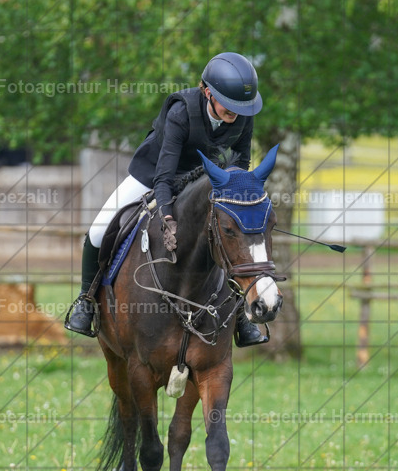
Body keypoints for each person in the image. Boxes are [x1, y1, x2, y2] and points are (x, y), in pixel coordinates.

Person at [65, 52, 268, 346]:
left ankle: (239, 318)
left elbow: (242, 162)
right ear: (208, 92)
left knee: (229, 238)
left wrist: (237, 199)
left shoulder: (243, 114)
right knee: (97, 231)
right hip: (154, 173)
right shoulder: (181, 112)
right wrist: (168, 216)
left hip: (204, 179)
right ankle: (86, 302)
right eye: (230, 103)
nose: (236, 111)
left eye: (241, 105)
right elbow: (164, 175)